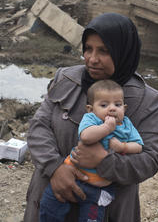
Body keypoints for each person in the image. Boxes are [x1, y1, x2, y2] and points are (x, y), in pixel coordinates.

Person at [24, 12, 158, 222]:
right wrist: (56, 169)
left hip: (106, 210)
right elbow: (39, 127)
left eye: (104, 51)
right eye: (88, 49)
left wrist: (105, 161)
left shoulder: (146, 100)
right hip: (52, 197)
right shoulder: (66, 79)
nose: (92, 59)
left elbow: (149, 160)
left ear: (123, 52)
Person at [39, 79, 144, 221]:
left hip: (100, 187)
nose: (112, 108)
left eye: (117, 104)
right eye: (104, 105)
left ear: (124, 108)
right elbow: (86, 137)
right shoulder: (91, 119)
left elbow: (138, 146)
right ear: (91, 108)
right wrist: (106, 128)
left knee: (93, 216)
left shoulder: (127, 125)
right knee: (51, 206)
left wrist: (123, 147)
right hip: (73, 176)